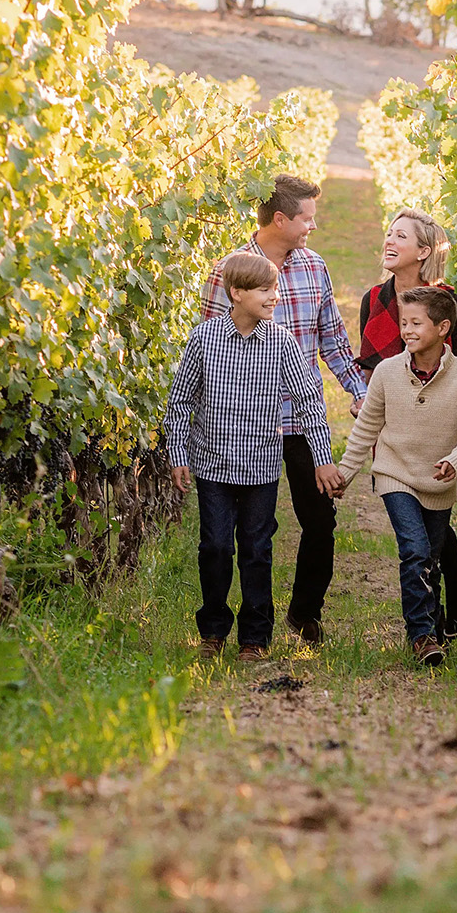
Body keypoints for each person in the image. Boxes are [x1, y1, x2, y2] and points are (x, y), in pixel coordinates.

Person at [200, 174, 367, 646]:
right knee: (243, 535)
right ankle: (240, 623)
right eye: (307, 219)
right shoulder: (228, 272)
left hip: (302, 420)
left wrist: (357, 391)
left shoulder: (314, 267)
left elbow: (333, 339)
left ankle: (303, 611)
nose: (314, 227)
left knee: (320, 519)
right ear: (280, 219)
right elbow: (213, 346)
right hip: (246, 423)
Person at [167, 253, 344, 663]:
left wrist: (321, 459)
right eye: (266, 290)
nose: (274, 297)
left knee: (256, 550)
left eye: (276, 289)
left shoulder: (282, 342)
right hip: (212, 465)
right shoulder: (203, 339)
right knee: (214, 546)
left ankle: (255, 636)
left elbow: (308, 404)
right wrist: (178, 453)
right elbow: (180, 401)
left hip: (260, 468)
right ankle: (213, 629)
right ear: (237, 293)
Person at [331, 287, 457, 666]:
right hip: (394, 473)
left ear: (443, 327)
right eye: (404, 323)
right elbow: (367, 428)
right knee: (414, 551)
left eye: (416, 323)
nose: (407, 330)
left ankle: (432, 629)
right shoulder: (386, 372)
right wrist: (346, 472)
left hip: (439, 480)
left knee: (430, 561)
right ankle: (421, 637)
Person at [357, 208, 457, 638]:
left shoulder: (451, 304)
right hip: (397, 434)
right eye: (388, 233)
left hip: (443, 434)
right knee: (417, 537)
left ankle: (454, 587)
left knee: (436, 525)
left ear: (423, 252)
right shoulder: (374, 299)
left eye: (401, 236)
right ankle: (427, 627)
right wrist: (365, 402)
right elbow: (371, 370)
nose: (389, 241)